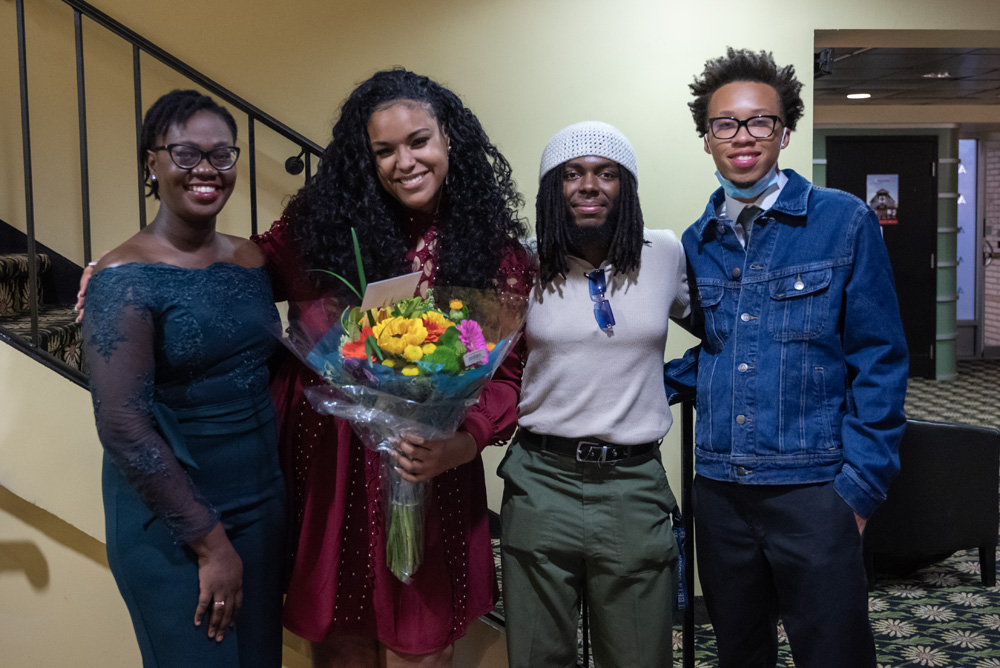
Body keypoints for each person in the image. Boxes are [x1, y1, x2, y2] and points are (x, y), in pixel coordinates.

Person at [252, 69, 532, 667]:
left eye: (418, 141)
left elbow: (511, 372)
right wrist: (142, 261)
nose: (404, 161)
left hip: (429, 468)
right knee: (339, 641)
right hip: (331, 468)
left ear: (449, 139)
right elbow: (243, 265)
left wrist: (462, 443)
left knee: (422, 647)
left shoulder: (493, 248)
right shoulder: (320, 228)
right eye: (384, 150)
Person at [679, 48, 909, 667]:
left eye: (760, 122)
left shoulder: (844, 221)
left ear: (784, 130)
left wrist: (859, 490)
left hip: (813, 490)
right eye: (725, 123)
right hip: (720, 491)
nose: (742, 136)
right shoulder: (696, 241)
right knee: (740, 654)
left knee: (834, 654)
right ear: (707, 138)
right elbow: (722, 349)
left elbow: (880, 359)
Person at [81, 90, 286, 668]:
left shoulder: (250, 259)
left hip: (262, 501)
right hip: (172, 522)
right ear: (152, 162)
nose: (206, 170)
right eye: (186, 153)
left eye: (222, 155)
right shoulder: (123, 276)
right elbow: (121, 423)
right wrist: (210, 541)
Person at [498, 121, 690, 668]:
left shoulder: (665, 253)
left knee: (637, 657)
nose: (590, 185)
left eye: (608, 174)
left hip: (633, 485)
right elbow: (485, 362)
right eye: (572, 174)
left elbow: (728, 332)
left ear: (625, 189)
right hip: (541, 482)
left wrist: (668, 384)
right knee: (537, 658)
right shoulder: (522, 265)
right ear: (550, 190)